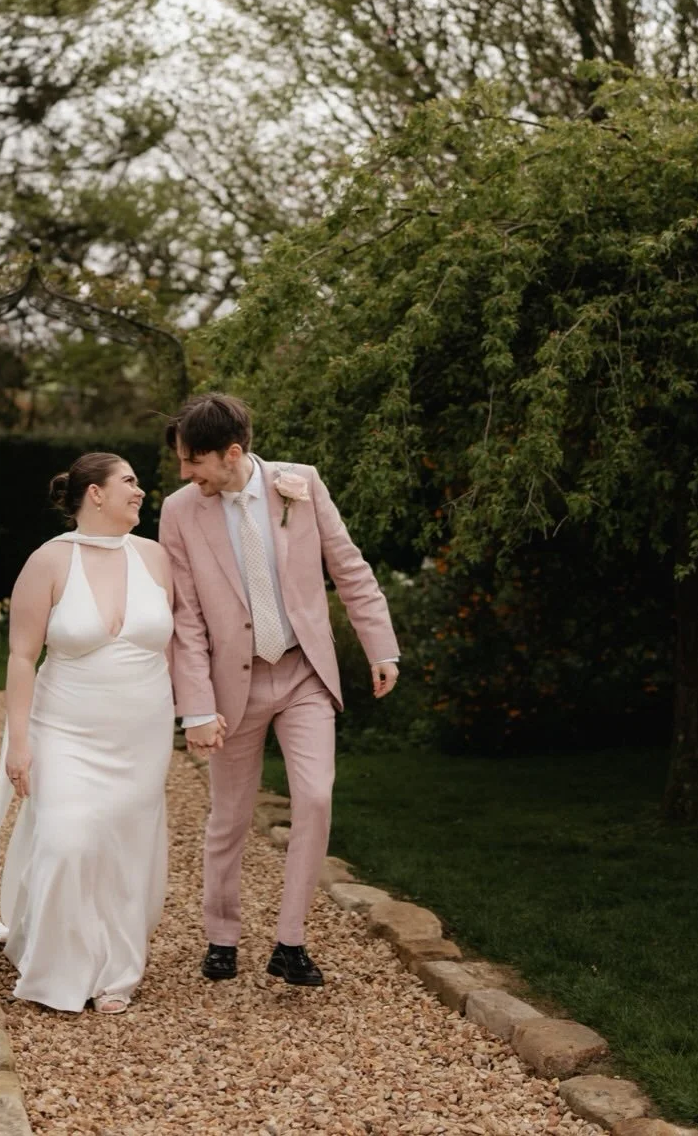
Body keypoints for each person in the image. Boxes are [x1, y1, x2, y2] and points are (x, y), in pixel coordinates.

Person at [158, 394, 399, 987]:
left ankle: (290, 943)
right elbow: (184, 617)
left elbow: (348, 566)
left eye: (194, 462)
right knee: (230, 817)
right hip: (229, 687)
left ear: (232, 452)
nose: (186, 474)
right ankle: (222, 936)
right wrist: (194, 708)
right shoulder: (179, 511)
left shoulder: (302, 484)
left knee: (315, 798)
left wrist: (381, 646)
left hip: (302, 675)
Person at [0, 453, 178, 1014]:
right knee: (69, 839)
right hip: (65, 728)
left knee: (124, 847)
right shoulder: (48, 562)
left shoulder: (156, 558)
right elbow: (23, 657)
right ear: (94, 494)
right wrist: (19, 743)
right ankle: (58, 967)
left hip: (142, 733)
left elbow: (178, 645)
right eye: (129, 482)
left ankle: (116, 969)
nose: (140, 491)